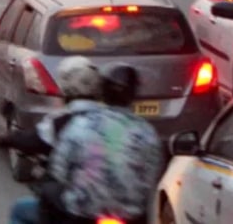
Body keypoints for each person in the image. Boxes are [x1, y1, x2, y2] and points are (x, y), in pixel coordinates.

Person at [42, 63, 164, 224]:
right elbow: (151, 179)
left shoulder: (82, 123)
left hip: (81, 213)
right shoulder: (148, 133)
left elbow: (59, 170)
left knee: (44, 194)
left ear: (103, 92)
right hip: (130, 217)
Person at [7, 56, 105, 224]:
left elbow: (33, 140)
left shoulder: (62, 121)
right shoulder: (112, 119)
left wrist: (9, 138)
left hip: (77, 207)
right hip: (116, 204)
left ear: (66, 86)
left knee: (20, 210)